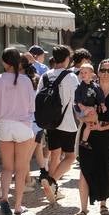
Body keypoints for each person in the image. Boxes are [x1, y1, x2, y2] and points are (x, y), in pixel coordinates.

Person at [0, 46, 38, 215]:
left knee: (7, 167)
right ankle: (17, 206)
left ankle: (3, 198)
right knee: (21, 168)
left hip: (4, 124)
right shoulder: (26, 80)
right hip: (23, 125)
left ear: (4, 61)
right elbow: (32, 106)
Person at [75, 61, 109, 215]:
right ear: (97, 72)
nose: (106, 73)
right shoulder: (87, 88)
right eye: (103, 70)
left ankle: (103, 205)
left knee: (104, 169)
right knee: (84, 170)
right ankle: (83, 210)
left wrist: (103, 128)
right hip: (87, 136)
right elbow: (76, 109)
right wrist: (84, 116)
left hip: (105, 137)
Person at [39, 45, 80, 203]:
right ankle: (51, 181)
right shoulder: (70, 77)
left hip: (50, 123)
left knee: (55, 154)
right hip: (68, 122)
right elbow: (77, 100)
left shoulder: (45, 76)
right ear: (67, 59)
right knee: (70, 157)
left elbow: (38, 98)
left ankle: (53, 189)